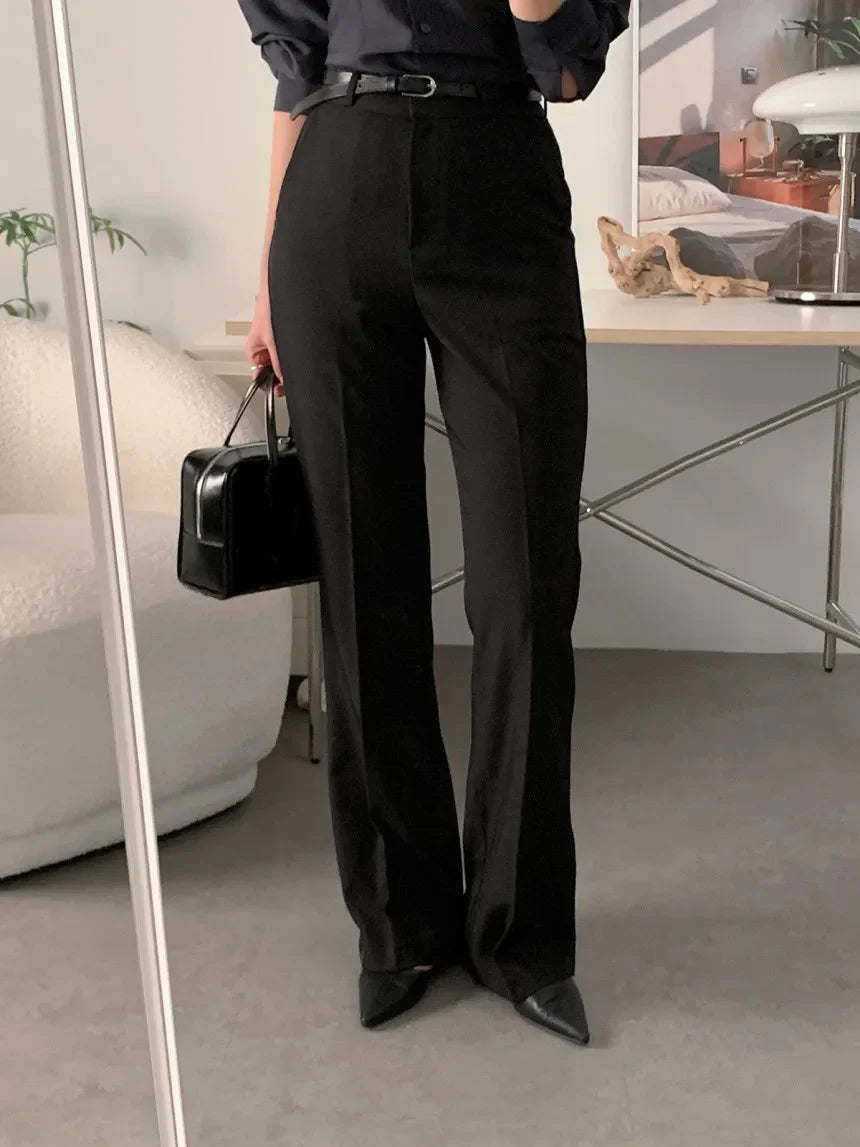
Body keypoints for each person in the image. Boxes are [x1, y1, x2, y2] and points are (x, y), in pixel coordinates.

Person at [237, 0, 629, 1045]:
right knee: (363, 585)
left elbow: (566, 69)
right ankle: (400, 923)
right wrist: (267, 265)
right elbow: (297, 69)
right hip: (338, 180)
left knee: (525, 586)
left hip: (499, 185)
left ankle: (520, 935)